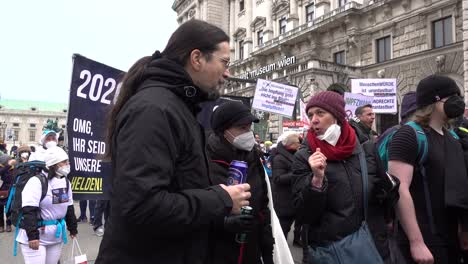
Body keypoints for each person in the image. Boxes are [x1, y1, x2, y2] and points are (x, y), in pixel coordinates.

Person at [96, 19, 251, 264]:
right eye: (224, 62)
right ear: (197, 58)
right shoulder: (154, 109)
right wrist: (221, 199)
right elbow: (141, 206)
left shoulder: (178, 106)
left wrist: (220, 214)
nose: (228, 73)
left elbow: (181, 190)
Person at [292, 91, 393, 262]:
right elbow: (303, 215)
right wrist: (316, 181)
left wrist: (389, 188)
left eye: (320, 113)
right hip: (332, 252)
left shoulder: (366, 148)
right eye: (310, 115)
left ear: (337, 115)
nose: (314, 119)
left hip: (372, 245)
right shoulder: (304, 156)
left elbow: (383, 196)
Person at [388, 75, 468, 263]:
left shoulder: (453, 139)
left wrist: (464, 229)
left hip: (451, 242)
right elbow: (400, 189)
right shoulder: (409, 135)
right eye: (451, 98)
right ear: (435, 100)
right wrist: (416, 242)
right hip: (424, 243)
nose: (458, 102)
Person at [206, 101, 274, 264]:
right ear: (224, 131)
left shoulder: (252, 158)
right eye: (242, 128)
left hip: (251, 251)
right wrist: (223, 223)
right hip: (217, 253)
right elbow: (193, 210)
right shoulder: (205, 159)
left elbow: (263, 209)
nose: (248, 134)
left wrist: (267, 251)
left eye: (249, 128)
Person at [16, 146, 77, 264]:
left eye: (67, 161)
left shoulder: (65, 182)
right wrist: (32, 236)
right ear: (53, 164)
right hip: (36, 237)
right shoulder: (36, 182)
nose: (67, 164)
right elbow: (29, 210)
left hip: (55, 238)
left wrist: (73, 228)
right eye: (64, 162)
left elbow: (68, 207)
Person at [271, 132, 302, 244]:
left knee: (288, 227)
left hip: (292, 198)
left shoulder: (293, 155)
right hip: (283, 200)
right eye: (298, 143)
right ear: (290, 144)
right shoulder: (279, 158)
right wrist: (297, 173)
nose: (300, 145)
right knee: (282, 229)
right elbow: (278, 179)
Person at [0, 154, 16, 233]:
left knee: (8, 209)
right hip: (0, 191)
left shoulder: (13, 169)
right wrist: (8, 166)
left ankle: (8, 224)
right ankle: (1, 226)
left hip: (9, 191)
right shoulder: (2, 168)